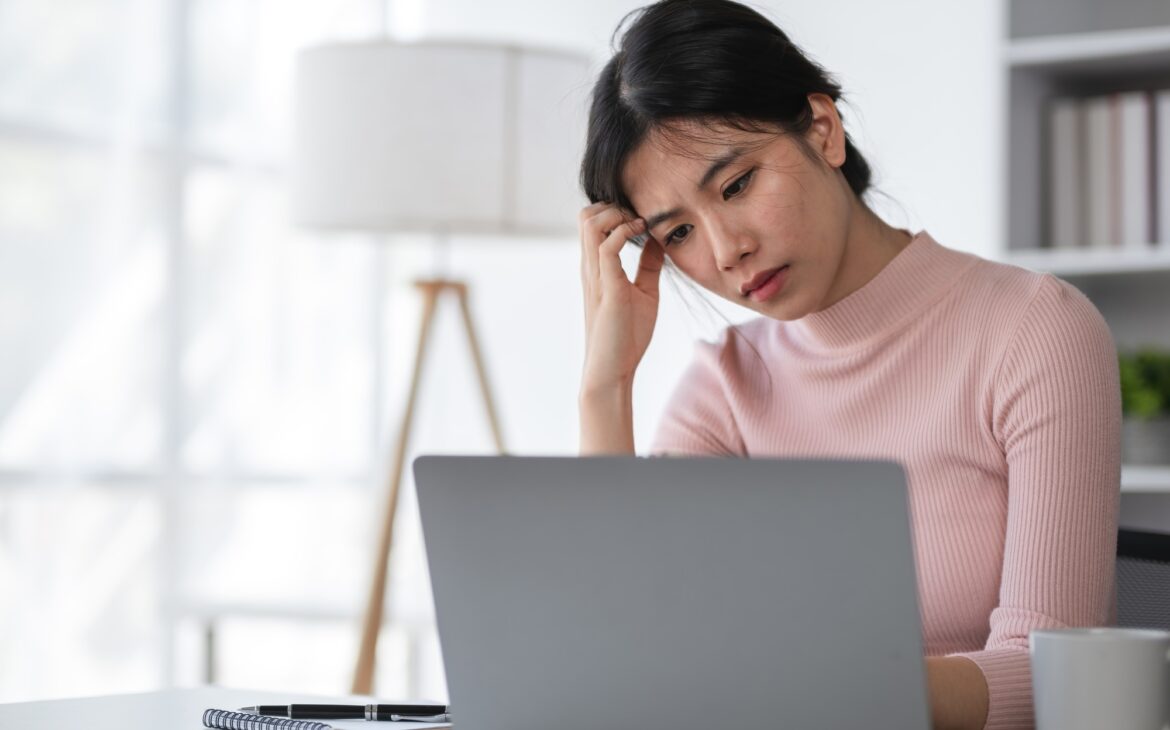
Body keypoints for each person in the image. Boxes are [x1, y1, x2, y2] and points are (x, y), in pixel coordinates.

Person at [575, 1, 1121, 729]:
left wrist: (817, 685)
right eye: (678, 233)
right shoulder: (723, 388)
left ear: (822, 131)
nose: (727, 249)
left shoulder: (1033, 330)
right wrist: (606, 386)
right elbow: (625, 658)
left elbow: (1048, 674)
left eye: (736, 185)